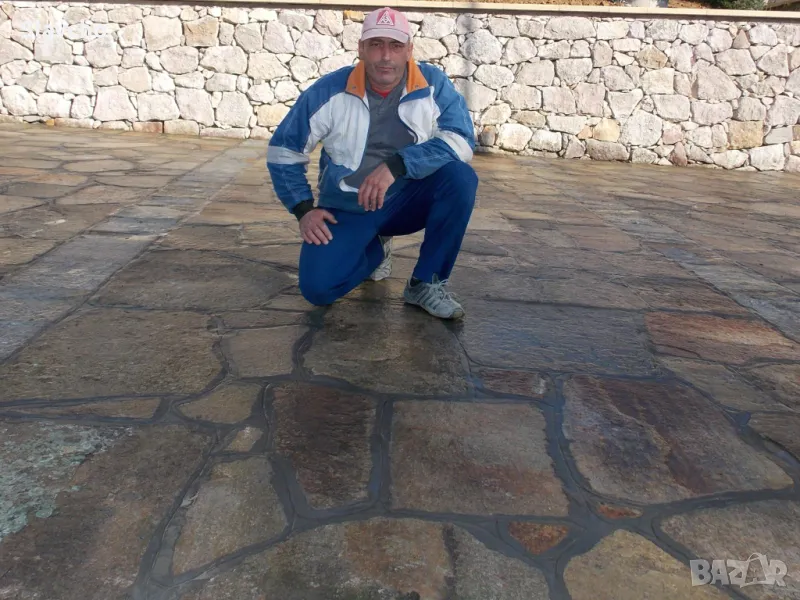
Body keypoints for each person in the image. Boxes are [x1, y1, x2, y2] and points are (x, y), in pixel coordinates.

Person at [266, 6, 478, 319]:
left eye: (395, 46)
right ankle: (375, 248)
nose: (385, 56)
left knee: (460, 178)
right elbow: (284, 149)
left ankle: (426, 282)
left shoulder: (433, 84)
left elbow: (460, 139)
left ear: (409, 50)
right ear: (361, 48)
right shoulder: (328, 90)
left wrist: (397, 165)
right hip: (349, 206)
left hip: (408, 200)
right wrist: (303, 209)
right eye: (376, 44)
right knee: (318, 289)